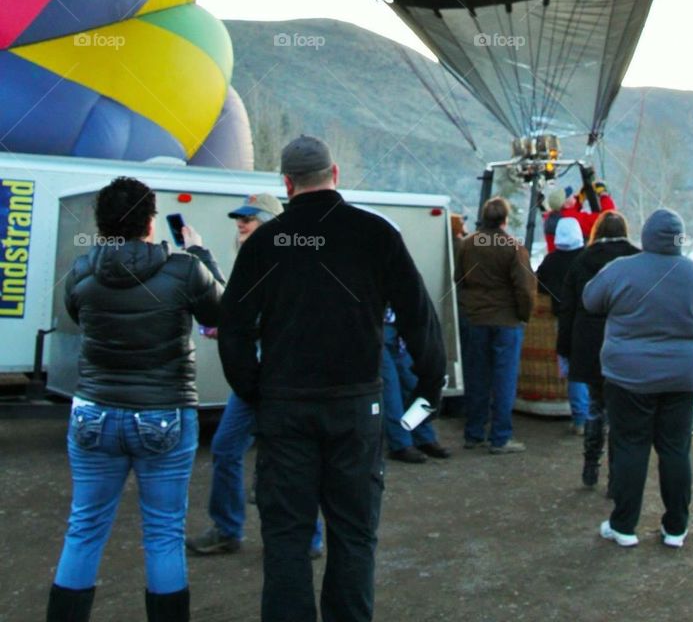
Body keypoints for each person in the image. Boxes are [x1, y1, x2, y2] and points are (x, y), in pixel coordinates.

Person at [218, 135, 446, 622]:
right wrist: (427, 394)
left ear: (286, 183)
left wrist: (254, 391)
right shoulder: (376, 234)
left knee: (286, 537)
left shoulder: (264, 242)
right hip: (356, 407)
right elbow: (418, 318)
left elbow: (232, 328)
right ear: (335, 174)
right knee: (354, 534)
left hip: (285, 407)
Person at [47, 177, 224, 622]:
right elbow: (224, 313)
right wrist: (201, 253)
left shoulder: (83, 270)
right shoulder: (185, 268)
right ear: (150, 221)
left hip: (93, 412)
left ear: (101, 225)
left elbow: (76, 314)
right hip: (163, 414)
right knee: (164, 533)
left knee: (83, 529)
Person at [186, 193, 324, 558]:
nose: (241, 224)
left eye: (250, 218)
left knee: (287, 455)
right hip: (257, 376)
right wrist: (201, 256)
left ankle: (305, 538)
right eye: (240, 219)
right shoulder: (258, 258)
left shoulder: (288, 260)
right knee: (229, 448)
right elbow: (233, 303)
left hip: (284, 376)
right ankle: (230, 529)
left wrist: (242, 326)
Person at [583, 208, 693, 549]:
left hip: (629, 376)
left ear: (645, 236)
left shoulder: (621, 270)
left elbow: (590, 300)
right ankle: (676, 528)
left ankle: (624, 526)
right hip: (683, 377)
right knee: (676, 448)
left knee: (631, 445)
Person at [557, 212, 639, 487]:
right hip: (627, 341)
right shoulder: (637, 259)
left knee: (595, 406)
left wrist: (564, 350)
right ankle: (617, 475)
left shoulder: (583, 260)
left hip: (590, 343)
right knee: (621, 413)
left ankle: (590, 466)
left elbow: (567, 309)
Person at [455, 196, 536, 454]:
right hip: (506, 322)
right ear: (504, 219)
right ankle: (500, 437)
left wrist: (468, 308)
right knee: (504, 380)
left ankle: (473, 433)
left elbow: (459, 279)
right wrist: (524, 315)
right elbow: (524, 288)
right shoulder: (513, 247)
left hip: (476, 319)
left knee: (476, 377)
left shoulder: (468, 245)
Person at [535, 217, 589, 432]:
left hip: (563, 320)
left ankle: (580, 419)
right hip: (590, 318)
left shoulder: (550, 261)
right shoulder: (586, 258)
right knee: (594, 367)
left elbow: (539, 287)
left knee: (573, 370)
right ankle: (598, 415)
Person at [382, 311, 451, 462]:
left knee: (408, 383)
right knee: (392, 388)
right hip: (388, 322)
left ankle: (418, 439)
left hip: (395, 323)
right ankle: (403, 443)